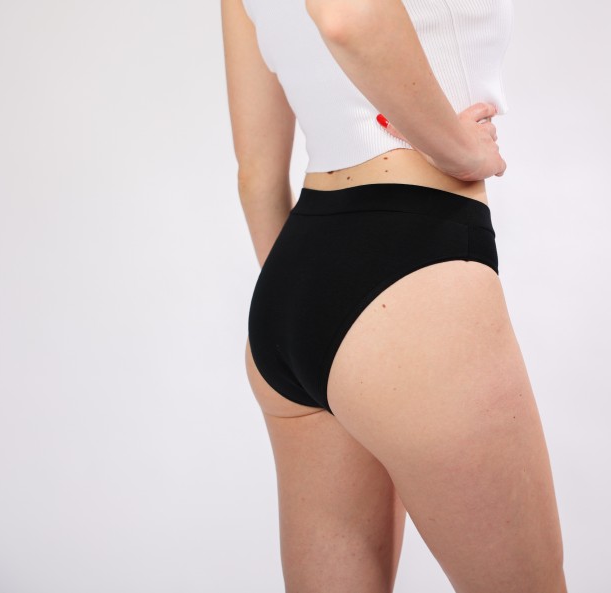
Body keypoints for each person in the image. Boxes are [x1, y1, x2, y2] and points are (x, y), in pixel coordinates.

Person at [221, 0, 568, 591]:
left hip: (293, 279)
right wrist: (462, 151)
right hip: (411, 263)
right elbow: (347, 16)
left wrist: (321, 308)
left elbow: (255, 175)